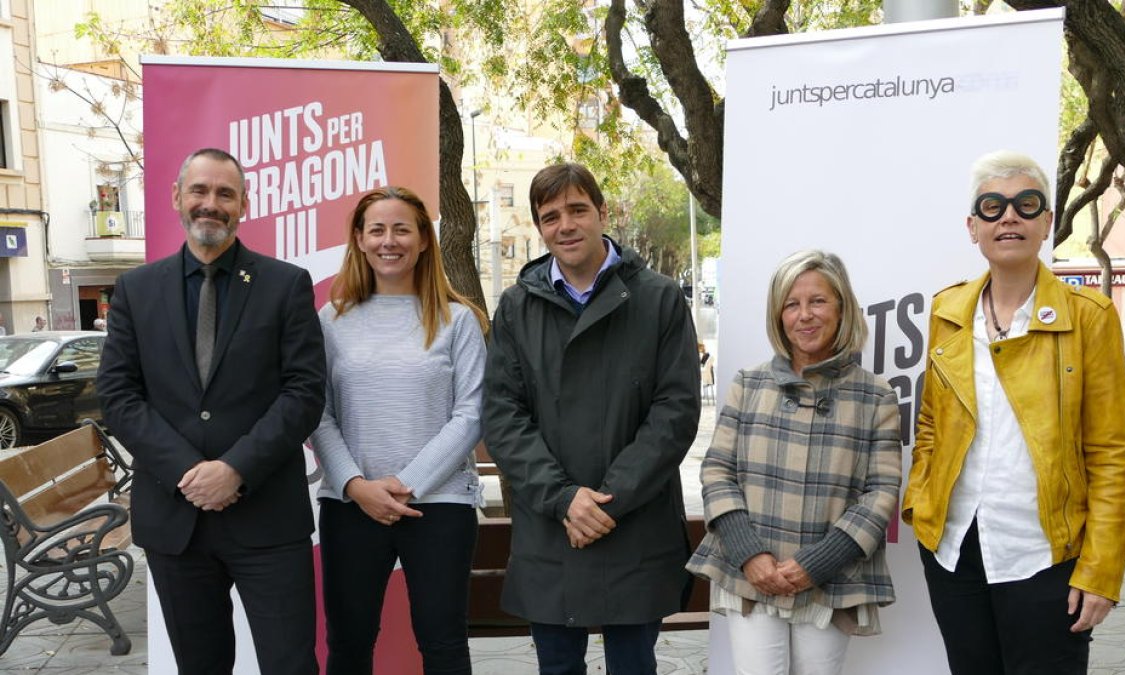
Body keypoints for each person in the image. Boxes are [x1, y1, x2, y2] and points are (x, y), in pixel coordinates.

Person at [903, 150, 1125, 675]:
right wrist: (922, 501)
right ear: (973, 227)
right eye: (992, 206)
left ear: (1047, 222)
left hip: (1045, 559)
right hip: (955, 553)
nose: (1009, 217)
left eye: (1025, 204)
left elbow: (1113, 455)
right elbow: (931, 424)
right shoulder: (947, 311)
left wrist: (1101, 569)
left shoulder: (1089, 319)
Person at [97, 148, 326, 675]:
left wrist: (235, 469)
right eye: (199, 190)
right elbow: (119, 395)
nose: (210, 204)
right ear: (177, 197)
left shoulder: (286, 284)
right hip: (176, 523)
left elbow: (304, 393)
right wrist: (188, 471)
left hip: (268, 518)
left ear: (243, 205)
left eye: (225, 193)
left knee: (291, 664)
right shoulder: (136, 289)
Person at [482, 162, 701, 674]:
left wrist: (605, 503)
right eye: (551, 215)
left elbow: (675, 410)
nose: (566, 225)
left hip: (633, 523)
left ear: (603, 213)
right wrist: (564, 500)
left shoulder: (661, 299)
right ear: (540, 228)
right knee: (557, 668)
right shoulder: (516, 308)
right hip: (551, 526)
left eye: (578, 209)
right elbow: (502, 414)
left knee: (633, 666)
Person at [686, 250, 901, 675]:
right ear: (778, 314)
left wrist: (814, 564)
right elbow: (716, 471)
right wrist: (751, 555)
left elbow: (881, 493)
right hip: (751, 573)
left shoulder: (876, 396)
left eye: (818, 301)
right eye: (791, 304)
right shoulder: (749, 384)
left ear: (842, 308)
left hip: (829, 578)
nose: (805, 315)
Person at [309, 187, 489, 675]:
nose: (390, 241)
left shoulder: (458, 321)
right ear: (360, 241)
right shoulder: (331, 320)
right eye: (377, 230)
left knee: (443, 642)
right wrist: (357, 486)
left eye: (402, 228)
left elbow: (471, 414)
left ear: (424, 240)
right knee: (348, 643)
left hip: (441, 506)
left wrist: (404, 486)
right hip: (351, 504)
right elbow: (318, 413)